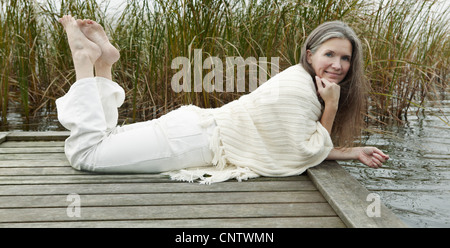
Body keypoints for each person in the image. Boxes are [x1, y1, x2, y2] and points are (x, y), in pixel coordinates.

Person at [56, 15, 389, 184]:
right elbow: (305, 151)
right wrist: (331, 106)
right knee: (87, 154)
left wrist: (352, 152)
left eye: (345, 59)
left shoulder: (300, 78)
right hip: (193, 141)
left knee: (105, 137)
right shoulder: (301, 88)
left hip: (195, 129)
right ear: (310, 54)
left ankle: (104, 65)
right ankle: (85, 62)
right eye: (330, 54)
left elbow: (296, 141)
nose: (337, 65)